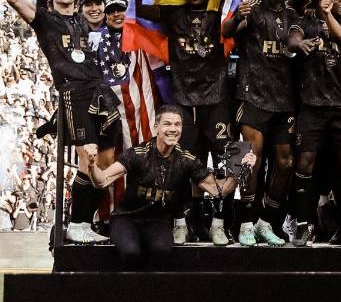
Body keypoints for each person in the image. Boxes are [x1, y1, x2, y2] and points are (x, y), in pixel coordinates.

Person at [6, 0, 117, 243]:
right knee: (88, 158)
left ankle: (87, 221)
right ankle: (78, 223)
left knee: (105, 162)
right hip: (74, 93)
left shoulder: (85, 21)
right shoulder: (45, 20)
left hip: (101, 93)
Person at [132, 0, 231, 245]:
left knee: (226, 163)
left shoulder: (219, 13)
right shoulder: (174, 13)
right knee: (183, 166)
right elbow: (142, 12)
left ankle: (220, 224)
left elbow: (229, 0)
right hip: (183, 100)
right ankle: (182, 221)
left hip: (217, 99)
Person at [89, 106, 255, 268]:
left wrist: (241, 170)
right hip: (127, 218)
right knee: (131, 252)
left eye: (177, 125)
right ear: (156, 127)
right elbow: (102, 180)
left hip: (158, 221)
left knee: (162, 250)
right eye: (167, 124)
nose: (173, 129)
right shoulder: (138, 154)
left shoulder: (187, 159)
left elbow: (219, 191)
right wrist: (91, 165)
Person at [287, 0, 341, 247]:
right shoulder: (305, 21)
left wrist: (330, 15)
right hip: (311, 107)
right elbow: (292, 38)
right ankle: (302, 224)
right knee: (304, 163)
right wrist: (300, 44)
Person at [225, 0, 293, 247]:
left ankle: (266, 222)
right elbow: (228, 31)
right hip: (251, 96)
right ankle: (244, 222)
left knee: (286, 163)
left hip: (286, 100)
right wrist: (236, 17)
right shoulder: (251, 9)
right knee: (249, 160)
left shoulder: (293, 13)